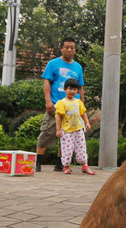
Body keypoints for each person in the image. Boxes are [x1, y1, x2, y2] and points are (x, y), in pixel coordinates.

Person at [36, 38, 84, 172]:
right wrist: (48, 101)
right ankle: (38, 161)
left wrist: (81, 106)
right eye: (67, 47)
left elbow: (80, 88)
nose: (69, 50)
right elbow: (46, 83)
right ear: (61, 48)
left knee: (67, 135)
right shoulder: (53, 64)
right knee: (47, 132)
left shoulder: (78, 67)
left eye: (72, 48)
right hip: (56, 105)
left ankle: (60, 163)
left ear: (75, 50)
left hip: (73, 108)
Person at [54, 78, 94, 175]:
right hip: (66, 131)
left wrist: (87, 123)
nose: (72, 91)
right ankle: (66, 166)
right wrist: (58, 130)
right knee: (67, 149)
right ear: (65, 89)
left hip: (78, 129)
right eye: (70, 89)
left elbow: (83, 113)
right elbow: (58, 117)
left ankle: (85, 166)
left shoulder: (78, 102)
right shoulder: (61, 103)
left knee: (82, 148)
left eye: (75, 89)